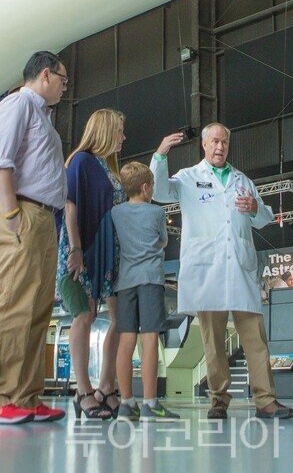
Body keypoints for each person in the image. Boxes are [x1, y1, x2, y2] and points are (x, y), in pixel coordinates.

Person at [152, 124, 293, 420]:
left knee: (255, 336)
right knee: (213, 340)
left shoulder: (242, 180)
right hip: (208, 270)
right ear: (204, 145)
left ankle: (265, 400)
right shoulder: (189, 177)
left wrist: (256, 207)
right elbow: (160, 191)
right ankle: (218, 399)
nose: (220, 147)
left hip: (240, 268)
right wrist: (161, 155)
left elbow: (263, 218)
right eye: (215, 141)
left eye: (225, 142)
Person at [0, 51, 70, 425]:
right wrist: (11, 213)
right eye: (63, 79)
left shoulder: (41, 115)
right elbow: (0, 159)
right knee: (11, 304)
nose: (64, 86)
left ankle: (26, 397)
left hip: (42, 217)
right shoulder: (18, 104)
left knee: (36, 309)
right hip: (22, 212)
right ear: (46, 74)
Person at [60, 109, 126, 419]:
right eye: (120, 131)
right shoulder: (81, 161)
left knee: (121, 318)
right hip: (84, 247)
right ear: (106, 131)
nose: (123, 137)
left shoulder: (109, 167)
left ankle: (106, 387)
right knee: (84, 316)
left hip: (109, 252)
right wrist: (75, 248)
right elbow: (70, 205)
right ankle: (83, 389)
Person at [112, 162, 179, 421]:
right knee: (149, 339)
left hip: (125, 282)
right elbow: (162, 240)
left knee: (126, 341)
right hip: (150, 279)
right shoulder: (156, 213)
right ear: (145, 187)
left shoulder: (116, 213)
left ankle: (127, 403)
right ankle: (150, 403)